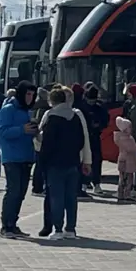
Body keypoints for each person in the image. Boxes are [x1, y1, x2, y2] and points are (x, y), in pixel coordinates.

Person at [36, 85, 91, 237]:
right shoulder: (75, 117)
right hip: (73, 162)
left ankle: (58, 229)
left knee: (56, 197)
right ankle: (71, 229)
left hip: (55, 164)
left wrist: (42, 161)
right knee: (71, 197)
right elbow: (82, 140)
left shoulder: (52, 117)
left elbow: (46, 143)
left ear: (52, 101)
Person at [0, 80, 38, 239]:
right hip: (12, 157)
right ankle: (6, 226)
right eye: (28, 94)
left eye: (32, 95)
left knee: (21, 192)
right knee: (13, 191)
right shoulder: (8, 109)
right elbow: (2, 131)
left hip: (26, 156)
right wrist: (22, 129)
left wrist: (34, 130)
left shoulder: (27, 111)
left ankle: (13, 224)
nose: (30, 98)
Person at [81, 86, 109, 195]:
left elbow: (105, 120)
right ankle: (84, 183)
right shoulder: (82, 107)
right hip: (85, 137)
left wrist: (99, 125)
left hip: (95, 136)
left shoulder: (99, 108)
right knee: (86, 161)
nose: (91, 102)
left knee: (96, 160)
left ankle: (96, 183)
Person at [71, 83, 93, 198]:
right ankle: (78, 188)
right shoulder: (82, 107)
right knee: (80, 164)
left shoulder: (70, 106)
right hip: (81, 139)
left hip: (72, 140)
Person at [31, 87, 51, 196]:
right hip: (41, 139)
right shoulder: (44, 109)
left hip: (37, 138)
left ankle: (37, 186)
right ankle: (38, 187)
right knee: (40, 165)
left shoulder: (34, 106)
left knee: (39, 164)